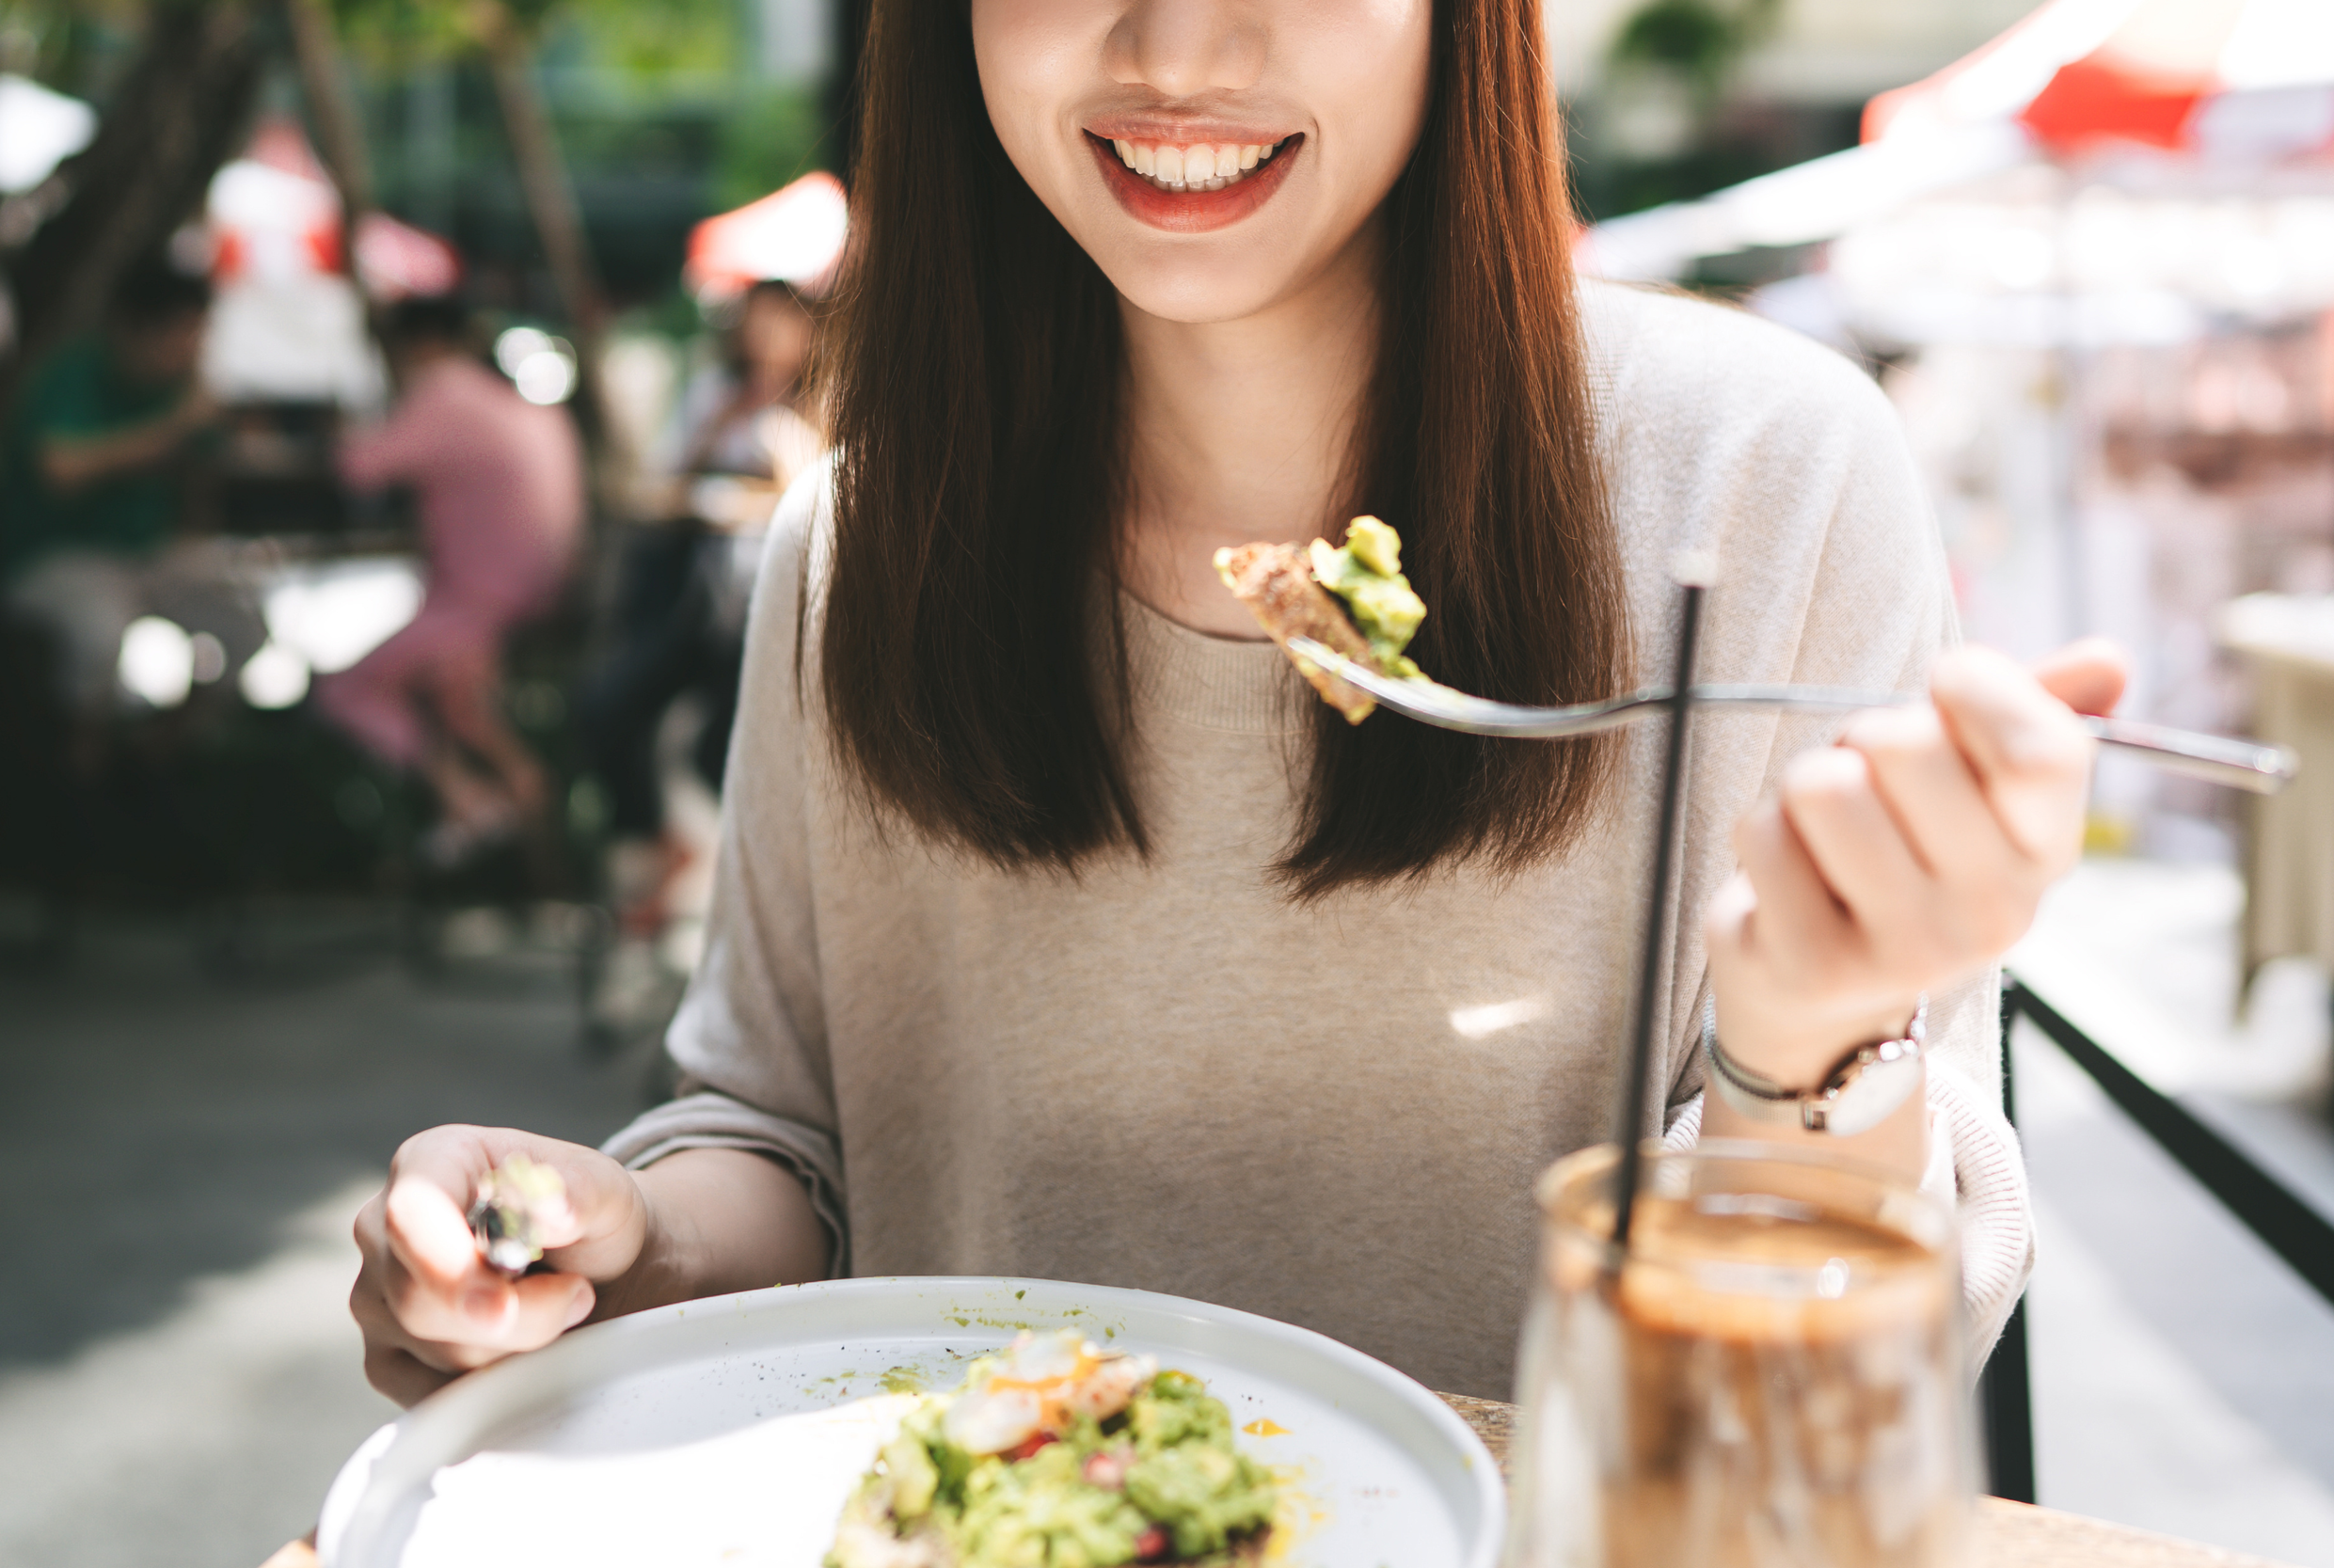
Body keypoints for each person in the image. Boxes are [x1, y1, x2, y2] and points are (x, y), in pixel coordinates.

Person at [352, 0, 2124, 1404]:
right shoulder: (865, 542)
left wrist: (1803, 1046)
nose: (1180, 52)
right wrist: (599, 1237)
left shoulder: (1764, 480)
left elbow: (1834, 1369)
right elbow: (788, 1137)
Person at [578, 280, 824, 934]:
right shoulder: (713, 396)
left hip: (781, 613)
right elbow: (665, 489)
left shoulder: (824, 405)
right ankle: (651, 852)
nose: (764, 340)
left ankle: (774, 889)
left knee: (721, 748)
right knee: (609, 705)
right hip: (708, 607)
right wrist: (715, 432)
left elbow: (819, 498)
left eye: (779, 326)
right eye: (754, 325)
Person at [317, 296, 583, 862]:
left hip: (475, 608)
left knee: (345, 691)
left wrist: (343, 422)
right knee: (462, 707)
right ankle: (525, 839)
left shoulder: (443, 392)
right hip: (531, 604)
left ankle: (466, 802)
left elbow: (356, 466)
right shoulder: (522, 402)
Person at [0, 258, 257, 730]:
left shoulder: (179, 388)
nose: (195, 347)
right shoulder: (74, 373)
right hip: (53, 554)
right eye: (185, 333)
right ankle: (81, 759)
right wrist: (172, 428)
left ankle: (171, 745)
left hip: (146, 554)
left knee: (243, 619)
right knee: (101, 634)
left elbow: (206, 477)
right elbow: (61, 471)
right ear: (138, 329)